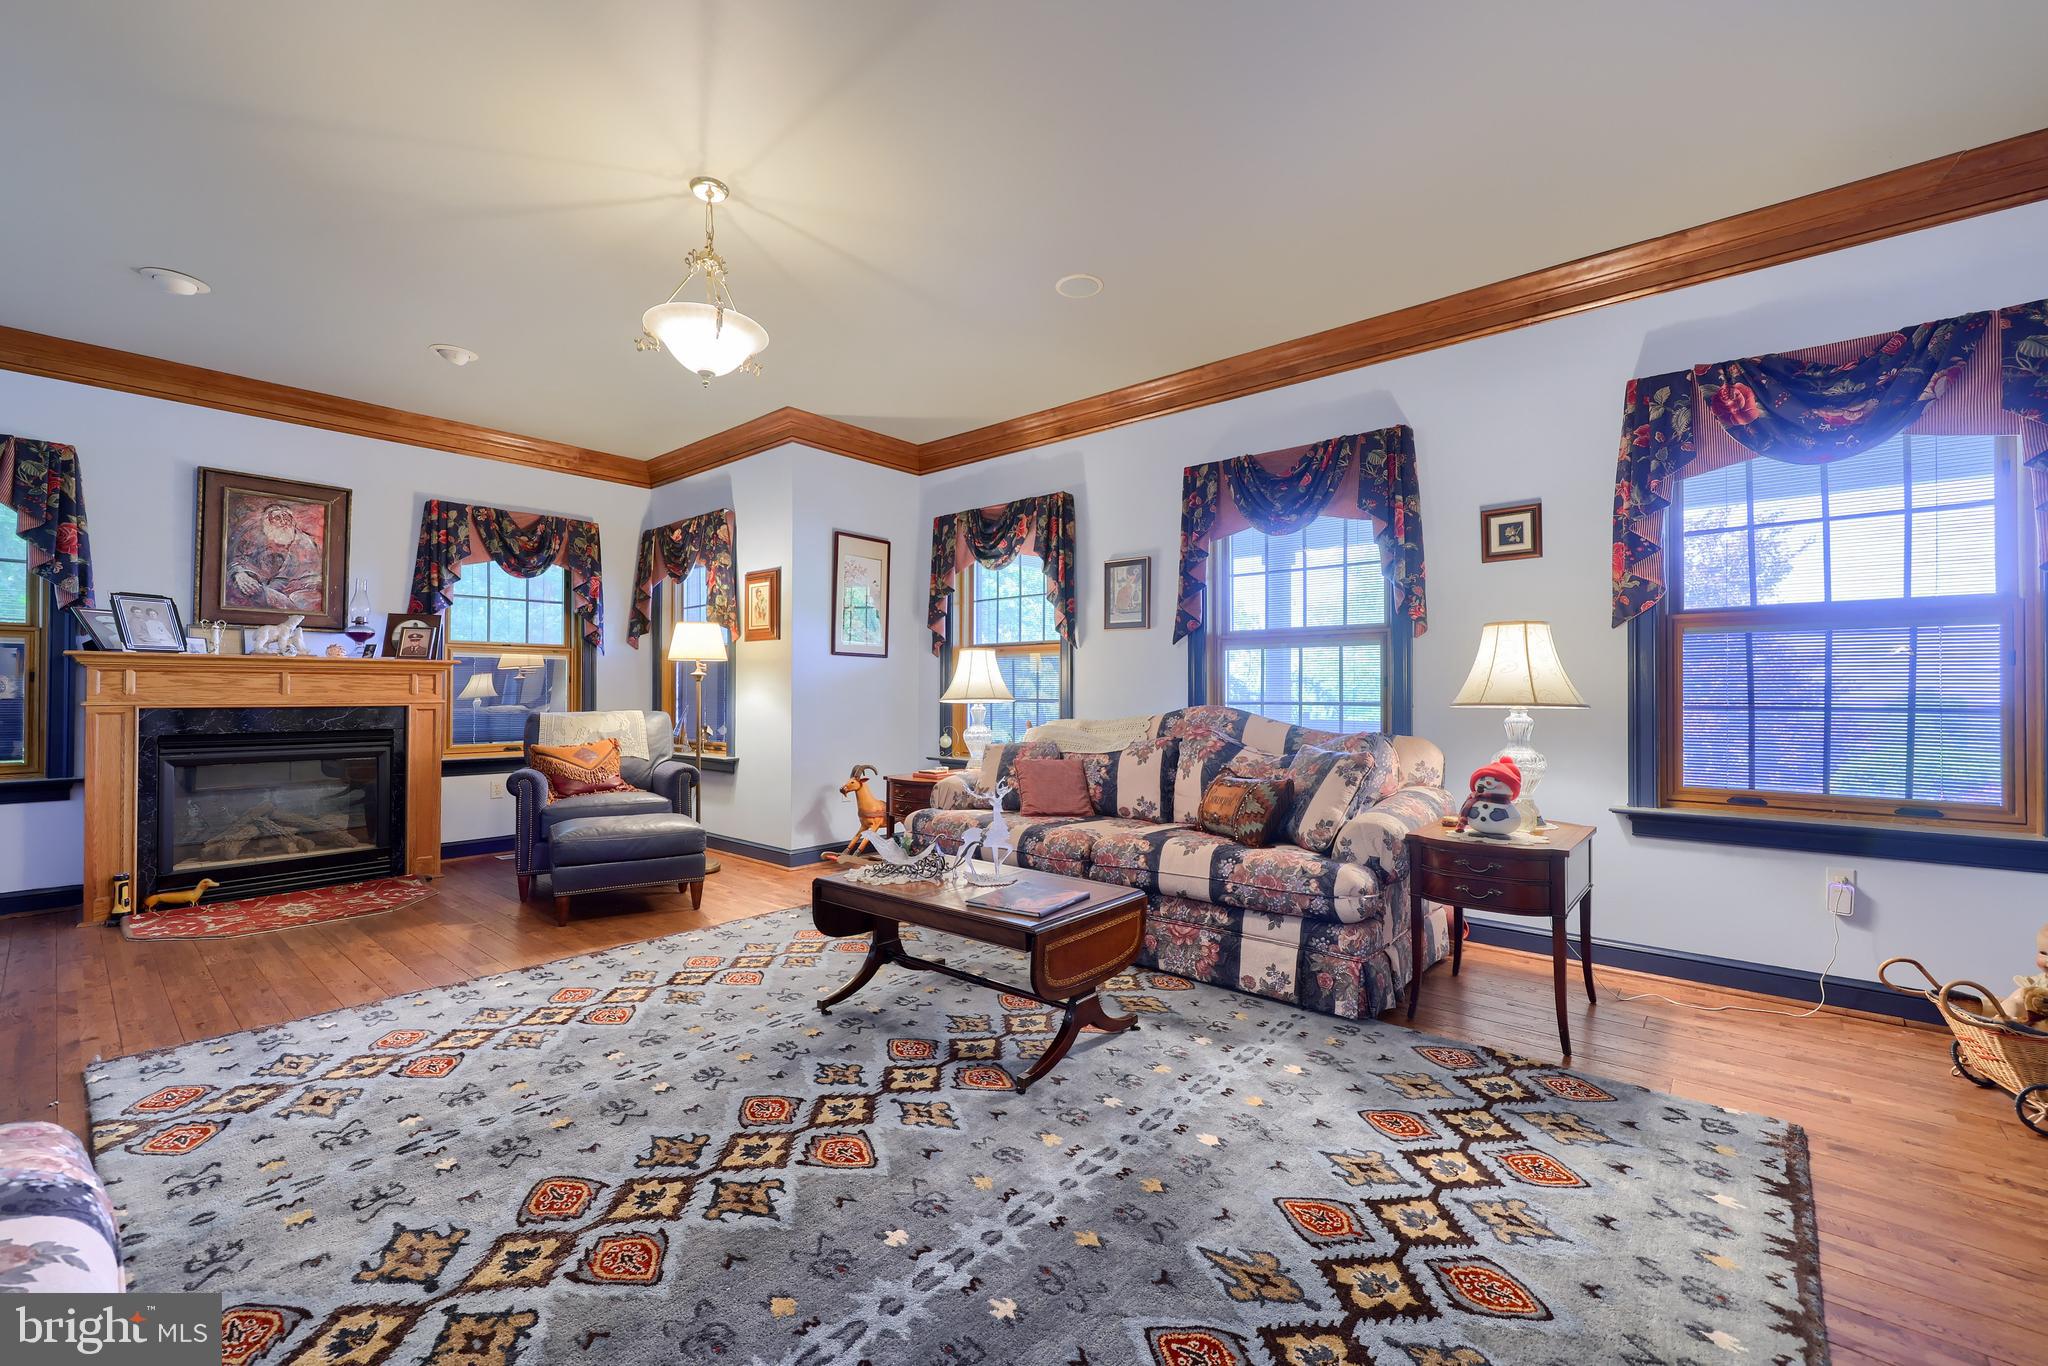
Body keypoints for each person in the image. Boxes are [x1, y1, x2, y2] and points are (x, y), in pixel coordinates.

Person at [228, 501, 325, 612]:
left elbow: (289, 582)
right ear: (268, 522)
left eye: (286, 517)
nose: (284, 521)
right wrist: (240, 574)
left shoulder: (304, 544)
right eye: (277, 518)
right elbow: (240, 560)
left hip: (297, 593)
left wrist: (264, 592)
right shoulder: (257, 540)